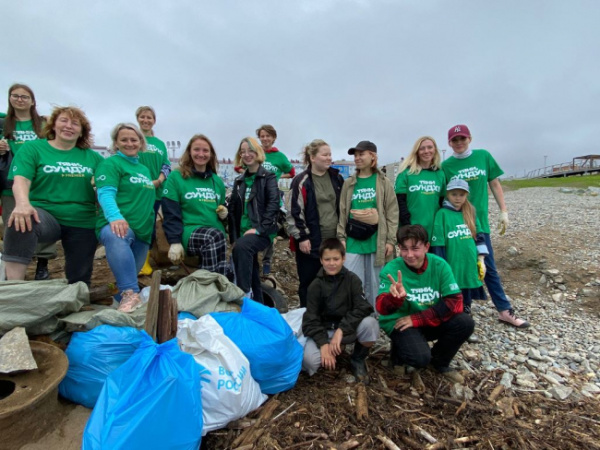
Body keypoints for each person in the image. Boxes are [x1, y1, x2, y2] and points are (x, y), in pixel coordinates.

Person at [1, 106, 103, 285]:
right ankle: (13, 287)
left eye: (75, 123)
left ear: (82, 132)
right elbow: (22, 180)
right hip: (45, 214)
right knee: (20, 220)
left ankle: (76, 296)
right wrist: (23, 204)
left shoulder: (94, 158)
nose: (69, 126)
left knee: (79, 279)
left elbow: (110, 184)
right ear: (53, 125)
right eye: (64, 121)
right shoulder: (33, 148)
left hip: (82, 219)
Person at [442, 124, 529, 328]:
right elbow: (443, 196)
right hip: (457, 224)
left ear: (469, 138)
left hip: (478, 223)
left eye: (462, 138)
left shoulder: (483, 156)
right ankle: (465, 311)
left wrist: (503, 211)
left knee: (488, 267)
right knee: (463, 266)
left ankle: (504, 310)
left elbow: (495, 183)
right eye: (455, 140)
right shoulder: (446, 166)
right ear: (449, 143)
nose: (459, 143)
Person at [377, 225, 475, 383]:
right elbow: (381, 308)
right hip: (401, 323)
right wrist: (394, 299)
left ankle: (439, 362)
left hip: (424, 318)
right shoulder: (392, 269)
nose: (409, 255)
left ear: (427, 247)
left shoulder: (440, 265)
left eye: (415, 248)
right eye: (404, 249)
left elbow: (455, 302)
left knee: (465, 323)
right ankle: (398, 354)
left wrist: (417, 318)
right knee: (419, 358)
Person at [96, 123, 155, 312]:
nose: (129, 143)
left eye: (133, 139)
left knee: (128, 276)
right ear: (116, 143)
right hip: (120, 226)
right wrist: (115, 217)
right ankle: (129, 295)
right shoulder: (111, 164)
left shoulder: (144, 170)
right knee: (130, 285)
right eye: (124, 139)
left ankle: (119, 298)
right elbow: (105, 193)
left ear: (141, 143)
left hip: (143, 230)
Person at [302, 238, 379, 383]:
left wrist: (341, 330)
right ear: (321, 260)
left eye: (336, 259)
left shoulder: (352, 280)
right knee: (310, 362)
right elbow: (311, 319)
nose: (332, 263)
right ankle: (333, 350)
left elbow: (363, 307)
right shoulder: (315, 285)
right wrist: (323, 344)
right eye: (327, 259)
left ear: (343, 258)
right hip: (325, 331)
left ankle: (358, 359)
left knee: (371, 324)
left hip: (346, 330)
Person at [0, 83, 57, 280]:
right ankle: (13, 270)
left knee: (41, 219)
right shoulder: (3, 123)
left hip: (40, 181)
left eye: (25, 97)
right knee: (13, 223)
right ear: (9, 99)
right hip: (11, 180)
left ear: (32, 101)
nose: (20, 100)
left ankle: (43, 263)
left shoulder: (42, 124)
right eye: (15, 96)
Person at [337, 140, 398, 308]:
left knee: (376, 281)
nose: (357, 158)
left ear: (373, 156)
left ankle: (377, 314)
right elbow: (342, 212)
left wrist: (390, 240)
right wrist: (341, 237)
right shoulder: (349, 183)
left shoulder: (383, 182)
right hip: (353, 240)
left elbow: (392, 212)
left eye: (361, 154)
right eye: (355, 155)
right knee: (352, 280)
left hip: (376, 239)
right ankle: (356, 314)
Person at [287, 139, 344, 307]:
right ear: (312, 157)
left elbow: (343, 207)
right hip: (311, 241)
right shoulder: (301, 181)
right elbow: (294, 211)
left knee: (333, 280)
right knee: (309, 282)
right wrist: (302, 237)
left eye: (330, 155)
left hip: (333, 239)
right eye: (325, 155)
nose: (329, 158)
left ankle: (330, 318)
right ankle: (308, 315)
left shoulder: (336, 178)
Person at [430, 179, 488, 343]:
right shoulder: (442, 214)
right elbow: (438, 244)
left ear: (466, 195)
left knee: (466, 297)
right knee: (451, 297)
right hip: (452, 264)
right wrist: (442, 268)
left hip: (468, 265)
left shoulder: (470, 211)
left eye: (461, 194)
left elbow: (480, 236)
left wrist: (481, 258)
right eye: (454, 194)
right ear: (448, 194)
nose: (457, 198)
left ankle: (466, 328)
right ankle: (449, 326)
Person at [161, 134, 228, 274]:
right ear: (189, 152)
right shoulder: (176, 177)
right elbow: (170, 212)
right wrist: (174, 241)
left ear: (211, 154)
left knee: (223, 268)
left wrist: (225, 214)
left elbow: (221, 211)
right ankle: (208, 289)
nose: (201, 154)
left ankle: (217, 288)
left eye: (205, 151)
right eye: (197, 149)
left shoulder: (217, 181)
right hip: (189, 230)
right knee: (213, 236)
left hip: (217, 234)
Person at [235, 125, 295, 276]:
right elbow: (238, 167)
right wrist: (249, 176)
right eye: (262, 136)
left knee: (269, 229)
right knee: (249, 229)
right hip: (255, 196)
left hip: (271, 195)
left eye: (268, 136)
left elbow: (291, 172)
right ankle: (252, 264)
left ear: (274, 138)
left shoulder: (279, 157)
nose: (265, 139)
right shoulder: (252, 151)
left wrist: (277, 177)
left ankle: (267, 260)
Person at [227, 137, 279, 303]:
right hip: (243, 232)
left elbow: (273, 205)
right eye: (243, 152)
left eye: (250, 150)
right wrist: (234, 238)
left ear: (258, 152)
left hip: (262, 230)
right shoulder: (239, 181)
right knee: (251, 267)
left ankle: (244, 295)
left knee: (242, 249)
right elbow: (233, 212)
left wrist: (259, 229)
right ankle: (258, 303)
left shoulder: (268, 177)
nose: (247, 154)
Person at [135, 106, 172, 275]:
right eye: (142, 117)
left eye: (149, 117)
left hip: (156, 190)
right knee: (136, 222)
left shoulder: (160, 144)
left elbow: (166, 165)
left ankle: (144, 260)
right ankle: (133, 257)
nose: (146, 120)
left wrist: (159, 180)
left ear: (154, 120)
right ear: (138, 119)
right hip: (136, 190)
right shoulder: (133, 139)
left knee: (149, 224)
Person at [395, 136, 446, 240]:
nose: (426, 151)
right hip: (412, 228)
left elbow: (442, 202)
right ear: (417, 151)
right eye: (422, 148)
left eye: (430, 147)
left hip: (434, 229)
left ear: (435, 150)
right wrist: (407, 226)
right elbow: (400, 202)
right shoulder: (406, 173)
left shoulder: (439, 173)